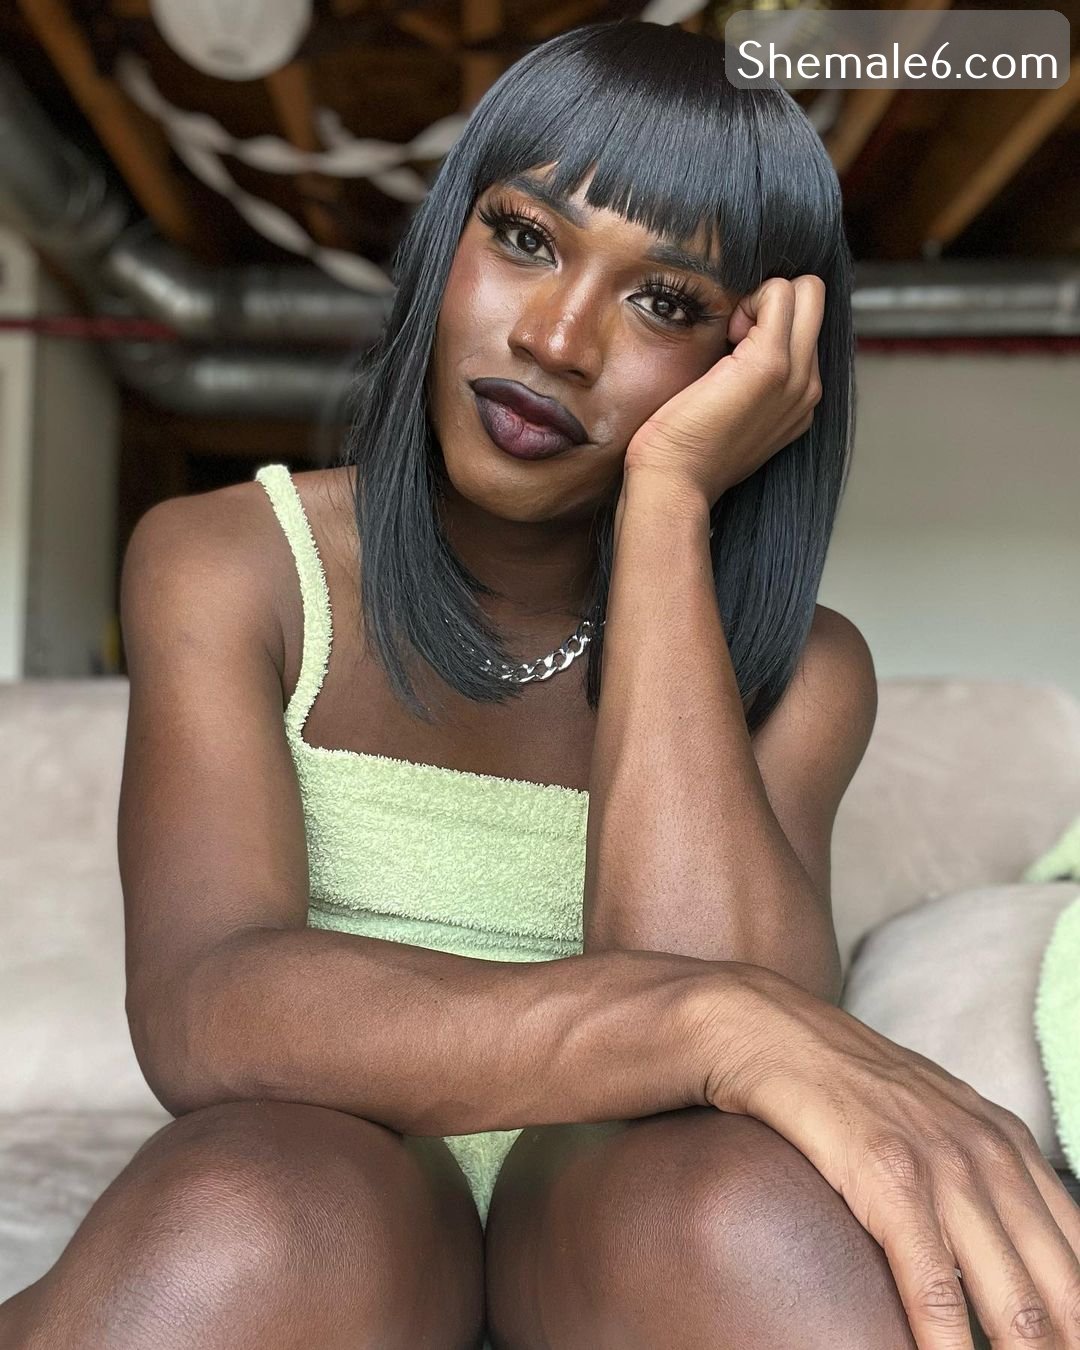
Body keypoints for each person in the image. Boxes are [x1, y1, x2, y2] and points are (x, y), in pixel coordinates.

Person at [3, 18, 1077, 1350]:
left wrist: (670, 505)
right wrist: (713, 1019)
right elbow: (204, 1008)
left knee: (753, 1219)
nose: (558, 338)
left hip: (615, 1222)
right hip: (328, 1177)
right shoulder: (231, 562)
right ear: (446, 241)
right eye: (524, 237)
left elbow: (712, 1073)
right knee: (245, 1220)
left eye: (665, 303)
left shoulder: (804, 670)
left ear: (755, 362)